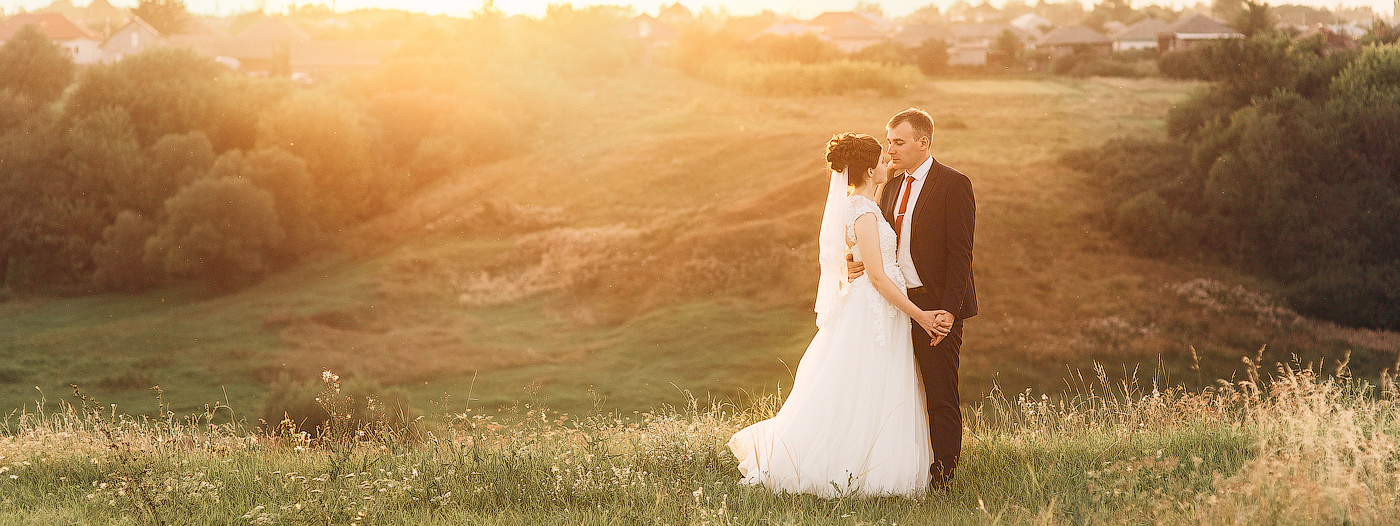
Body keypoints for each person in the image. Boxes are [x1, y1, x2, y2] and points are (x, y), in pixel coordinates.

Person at [727, 132, 952, 498]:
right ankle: (852, 465)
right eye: (882, 160)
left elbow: (864, 257)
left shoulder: (862, 203)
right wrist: (922, 316)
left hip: (881, 309)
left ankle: (872, 457)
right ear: (868, 168)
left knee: (874, 382)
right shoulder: (862, 211)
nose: (888, 163)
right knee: (865, 383)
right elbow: (878, 277)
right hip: (877, 308)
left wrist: (852, 261)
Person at [850, 108, 977, 490]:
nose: (890, 150)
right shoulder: (888, 187)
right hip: (894, 306)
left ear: (924, 142)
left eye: (899, 142)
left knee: (940, 392)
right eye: (889, 142)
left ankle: (944, 477)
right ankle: (904, 467)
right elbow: (876, 243)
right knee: (901, 388)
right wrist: (853, 263)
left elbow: (961, 256)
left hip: (936, 308)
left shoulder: (954, 184)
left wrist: (948, 314)